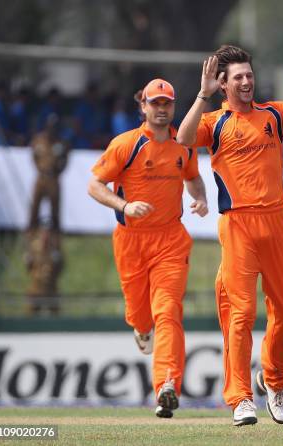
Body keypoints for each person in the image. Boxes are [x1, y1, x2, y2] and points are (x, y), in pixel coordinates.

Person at [176, 45, 283, 426]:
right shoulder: (214, 121)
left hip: (279, 223)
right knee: (242, 313)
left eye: (249, 75)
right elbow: (182, 138)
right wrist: (201, 93)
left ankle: (275, 382)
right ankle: (241, 398)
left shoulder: (275, 114)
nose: (246, 82)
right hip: (238, 227)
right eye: (238, 78)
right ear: (223, 84)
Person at [88, 78, 209, 418]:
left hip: (170, 239)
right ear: (143, 106)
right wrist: (124, 206)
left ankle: (166, 385)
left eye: (166, 103)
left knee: (168, 311)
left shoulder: (184, 144)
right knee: (141, 315)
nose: (161, 109)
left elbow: (193, 176)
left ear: (173, 107)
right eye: (155, 103)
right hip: (131, 242)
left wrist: (199, 198)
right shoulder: (126, 145)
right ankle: (141, 329)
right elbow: (94, 184)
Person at [29, 114, 70, 231]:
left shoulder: (61, 142)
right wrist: (39, 168)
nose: (52, 129)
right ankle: (32, 236)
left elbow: (66, 158)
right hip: (41, 178)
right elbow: (34, 155)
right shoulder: (38, 140)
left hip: (54, 178)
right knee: (34, 208)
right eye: (50, 126)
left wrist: (59, 171)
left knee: (55, 210)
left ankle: (55, 240)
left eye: (55, 127)